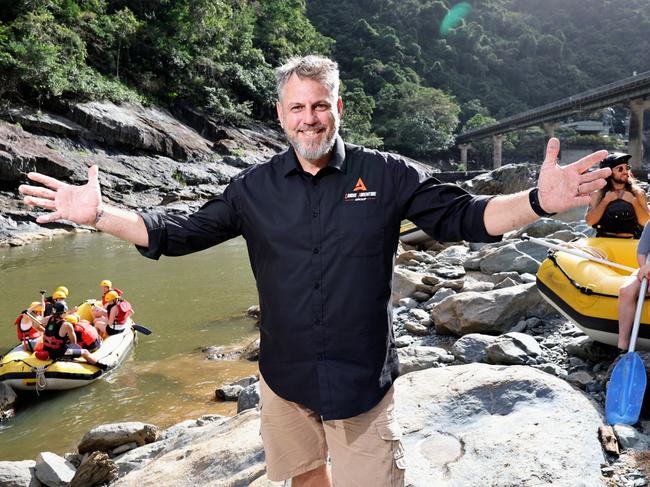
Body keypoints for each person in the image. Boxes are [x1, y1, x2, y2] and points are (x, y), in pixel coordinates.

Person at [20, 55, 611, 486]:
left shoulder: (387, 175)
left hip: (360, 386)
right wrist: (100, 214)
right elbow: (175, 235)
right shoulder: (252, 190)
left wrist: (538, 203)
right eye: (297, 107)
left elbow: (468, 218)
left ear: (338, 109)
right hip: (285, 383)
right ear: (280, 115)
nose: (310, 118)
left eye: (320, 105)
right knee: (305, 479)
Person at [585, 152, 650, 238]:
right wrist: (605, 201)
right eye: (620, 169)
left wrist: (633, 202)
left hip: (631, 241)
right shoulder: (597, 194)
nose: (625, 172)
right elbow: (590, 222)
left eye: (627, 168)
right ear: (609, 173)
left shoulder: (638, 193)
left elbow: (646, 222)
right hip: (604, 240)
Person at [38, 302, 107, 369]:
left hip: (46, 349)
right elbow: (74, 343)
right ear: (63, 313)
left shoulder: (47, 319)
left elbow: (36, 325)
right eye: (65, 312)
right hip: (59, 353)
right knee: (85, 352)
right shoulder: (67, 325)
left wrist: (46, 331)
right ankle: (101, 366)